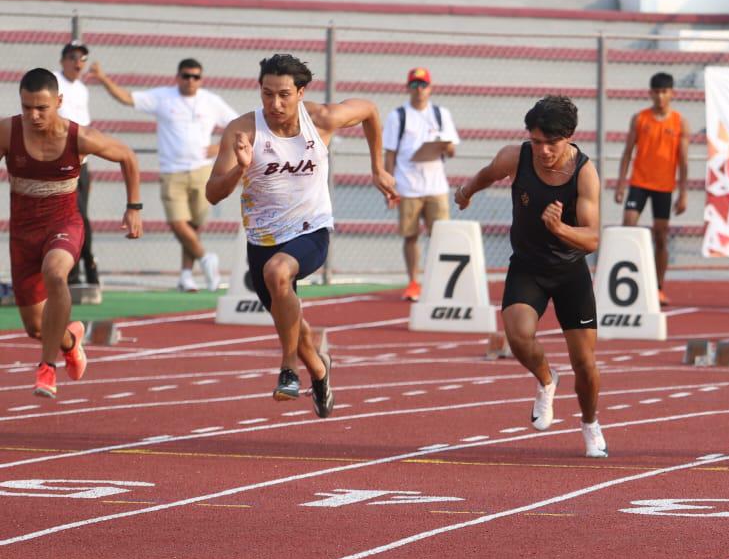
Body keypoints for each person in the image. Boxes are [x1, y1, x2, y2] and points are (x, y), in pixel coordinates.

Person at [205, 54, 392, 414]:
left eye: (284, 95)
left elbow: (369, 110)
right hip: (262, 239)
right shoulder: (242, 130)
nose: (274, 104)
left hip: (311, 230)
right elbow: (213, 193)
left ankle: (288, 370)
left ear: (301, 93)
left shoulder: (320, 120)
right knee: (296, 327)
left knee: (278, 272)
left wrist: (377, 169)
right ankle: (319, 371)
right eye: (267, 94)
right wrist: (239, 169)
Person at [456, 96, 607, 459]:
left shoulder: (585, 173)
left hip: (569, 272)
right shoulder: (516, 156)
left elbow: (593, 237)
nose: (542, 151)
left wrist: (559, 228)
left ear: (568, 137)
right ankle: (546, 379)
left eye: (550, 143)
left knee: (585, 364)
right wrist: (466, 192)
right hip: (527, 266)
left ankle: (590, 423)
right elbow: (487, 174)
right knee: (519, 336)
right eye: (536, 142)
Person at [2, 69, 143, 397]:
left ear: (59, 102)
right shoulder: (8, 131)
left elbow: (127, 156)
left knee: (55, 272)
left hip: (63, 224)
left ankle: (47, 369)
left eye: (42, 108)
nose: (33, 116)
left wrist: (133, 207)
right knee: (36, 328)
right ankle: (70, 340)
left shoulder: (79, 137)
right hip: (22, 234)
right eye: (26, 108)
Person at [92, 57, 234, 292]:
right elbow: (127, 98)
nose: (190, 81)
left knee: (194, 226)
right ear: (177, 77)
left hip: (202, 170)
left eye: (195, 76)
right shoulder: (164, 97)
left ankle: (186, 275)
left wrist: (219, 147)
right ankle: (206, 258)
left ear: (201, 79)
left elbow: (236, 124)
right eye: (186, 76)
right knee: (178, 223)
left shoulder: (211, 101)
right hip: (172, 171)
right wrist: (103, 79)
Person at [382, 67, 460, 302]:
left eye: (423, 85)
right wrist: (389, 187)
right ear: (408, 88)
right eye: (415, 85)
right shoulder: (398, 116)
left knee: (441, 236)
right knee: (410, 236)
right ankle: (413, 281)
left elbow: (452, 150)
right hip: (408, 185)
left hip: (436, 186)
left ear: (430, 88)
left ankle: (441, 282)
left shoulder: (440, 114)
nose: (419, 90)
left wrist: (442, 145)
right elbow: (390, 154)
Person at [614, 71, 688, 306]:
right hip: (639, 183)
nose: (660, 96)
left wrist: (683, 193)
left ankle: (657, 287)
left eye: (664, 92)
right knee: (628, 225)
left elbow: (683, 161)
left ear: (672, 93)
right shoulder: (640, 119)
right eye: (656, 92)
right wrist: (620, 183)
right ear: (650, 93)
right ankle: (627, 281)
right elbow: (627, 152)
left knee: (661, 237)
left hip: (664, 187)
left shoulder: (679, 122)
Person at [55, 41, 99, 290]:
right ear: (62, 60)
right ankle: (75, 269)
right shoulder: (53, 81)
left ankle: (86, 263)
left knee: (80, 215)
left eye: (82, 59)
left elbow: (84, 126)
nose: (78, 63)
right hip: (59, 159)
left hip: (80, 162)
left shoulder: (82, 89)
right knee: (67, 215)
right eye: (73, 57)